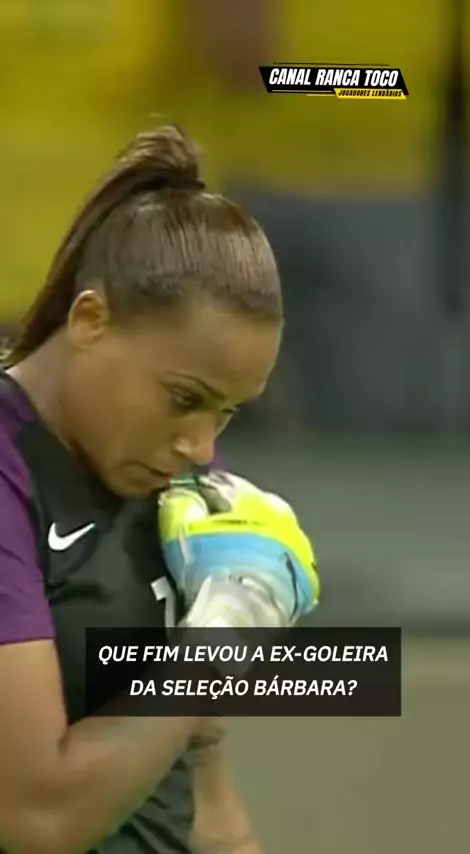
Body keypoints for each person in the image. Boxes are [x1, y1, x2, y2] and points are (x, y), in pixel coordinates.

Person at [0, 124, 319, 854]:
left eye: (227, 412)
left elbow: (204, 796)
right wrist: (215, 645)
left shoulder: (168, 479)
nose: (201, 449)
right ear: (91, 320)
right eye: (184, 399)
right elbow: (35, 817)